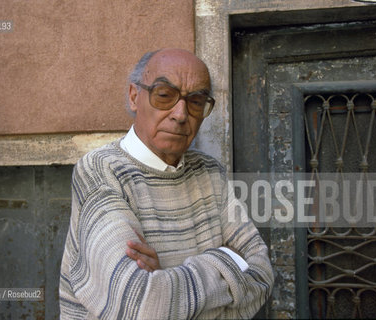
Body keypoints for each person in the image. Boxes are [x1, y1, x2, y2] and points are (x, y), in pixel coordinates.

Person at [59, 48, 274, 319]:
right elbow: (140, 304)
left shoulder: (209, 172)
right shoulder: (101, 170)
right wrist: (227, 261)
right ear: (134, 96)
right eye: (164, 95)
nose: (181, 114)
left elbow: (263, 274)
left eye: (196, 101)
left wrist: (167, 276)